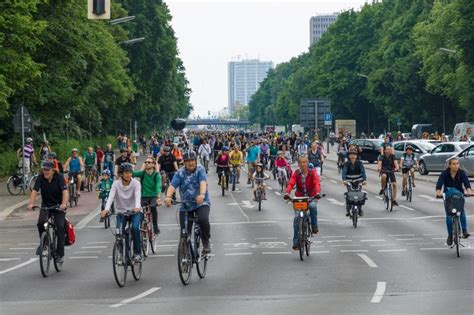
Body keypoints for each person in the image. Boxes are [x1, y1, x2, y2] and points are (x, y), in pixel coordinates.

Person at [164, 151, 212, 254]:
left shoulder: (200, 169)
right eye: (188, 161)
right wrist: (168, 197)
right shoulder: (180, 173)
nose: (191, 163)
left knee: (203, 219)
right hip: (186, 205)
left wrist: (202, 195)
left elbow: (203, 182)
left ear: (195, 160)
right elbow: (172, 186)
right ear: (184, 162)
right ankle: (186, 251)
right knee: (184, 231)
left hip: (201, 203)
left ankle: (205, 241)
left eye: (192, 160)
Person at [28, 161, 68, 264]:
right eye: (43, 169)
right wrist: (31, 203)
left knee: (60, 227)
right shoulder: (40, 178)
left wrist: (63, 204)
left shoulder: (59, 177)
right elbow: (34, 191)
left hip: (58, 206)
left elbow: (65, 192)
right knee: (41, 222)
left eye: (47, 170)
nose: (45, 171)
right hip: (46, 206)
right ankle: (44, 243)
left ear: (53, 170)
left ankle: (60, 254)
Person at [102, 162, 143, 262]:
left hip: (135, 212)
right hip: (121, 212)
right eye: (126, 172)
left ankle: (137, 253)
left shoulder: (136, 183)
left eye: (130, 172)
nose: (129, 175)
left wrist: (137, 207)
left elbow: (138, 196)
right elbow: (111, 197)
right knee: (119, 233)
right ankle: (121, 253)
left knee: (134, 228)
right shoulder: (116, 184)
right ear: (121, 174)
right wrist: (106, 209)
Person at [284, 155, 322, 250]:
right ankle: (296, 242)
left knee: (313, 206)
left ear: (307, 163)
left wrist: (317, 193)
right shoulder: (296, 173)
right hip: (299, 197)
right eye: (300, 162)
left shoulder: (312, 172)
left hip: (311, 196)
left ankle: (314, 226)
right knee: (297, 218)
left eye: (304, 162)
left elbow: (316, 183)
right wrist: (287, 193)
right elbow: (291, 183)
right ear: (298, 164)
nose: (302, 164)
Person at [435, 158, 472, 245]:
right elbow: (439, 184)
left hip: (459, 196)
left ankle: (464, 230)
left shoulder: (461, 173)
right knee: (449, 215)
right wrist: (438, 192)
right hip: (448, 197)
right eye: (454, 164)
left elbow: (467, 183)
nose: (456, 166)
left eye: (457, 164)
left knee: (461, 211)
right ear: (450, 165)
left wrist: (469, 191)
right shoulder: (445, 173)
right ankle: (450, 236)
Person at [133, 156, 162, 234]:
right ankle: (141, 225)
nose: (146, 164)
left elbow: (158, 186)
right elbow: (132, 173)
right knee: (140, 210)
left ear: (153, 164)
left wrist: (158, 197)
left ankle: (155, 227)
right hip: (144, 196)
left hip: (153, 196)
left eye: (149, 162)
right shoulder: (142, 173)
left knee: (153, 208)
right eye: (145, 162)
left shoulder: (157, 175)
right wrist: (123, 172)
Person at [342, 149, 367, 216]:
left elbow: (363, 172)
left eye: (354, 155)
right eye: (351, 155)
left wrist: (364, 180)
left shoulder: (359, 163)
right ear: (349, 156)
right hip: (349, 181)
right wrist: (344, 180)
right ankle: (348, 209)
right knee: (349, 195)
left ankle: (360, 209)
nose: (353, 156)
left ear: (356, 156)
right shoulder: (347, 163)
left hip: (358, 180)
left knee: (359, 195)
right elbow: (344, 172)